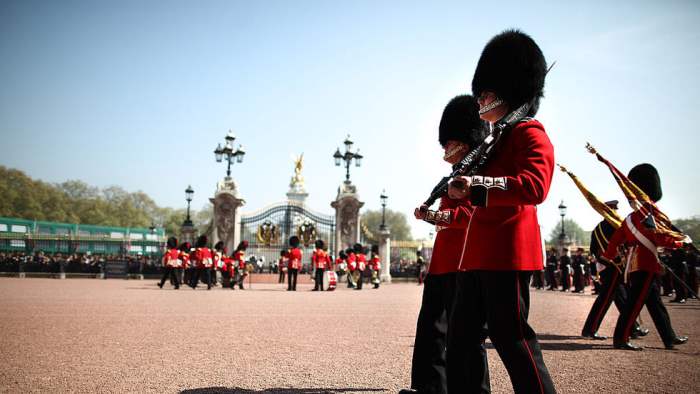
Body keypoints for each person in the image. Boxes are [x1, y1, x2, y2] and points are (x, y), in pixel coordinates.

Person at [445, 29, 556, 393]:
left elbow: (534, 186)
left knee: (512, 339)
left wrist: (479, 187)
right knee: (461, 339)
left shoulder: (529, 132)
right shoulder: (496, 139)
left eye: (487, 92)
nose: (481, 99)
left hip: (507, 252)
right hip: (477, 253)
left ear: (508, 90)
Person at [402, 94, 487, 394]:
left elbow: (465, 215)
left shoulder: (475, 174)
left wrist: (433, 214)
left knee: (463, 334)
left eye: (449, 142)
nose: (445, 147)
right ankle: (431, 386)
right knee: (432, 330)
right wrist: (430, 215)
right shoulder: (457, 173)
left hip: (461, 261)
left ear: (464, 143)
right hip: (442, 261)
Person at [604, 164, 689, 350]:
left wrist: (610, 256)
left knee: (655, 303)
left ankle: (669, 336)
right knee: (633, 304)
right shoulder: (650, 213)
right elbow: (657, 236)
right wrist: (680, 242)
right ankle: (621, 338)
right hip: (646, 263)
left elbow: (615, 241)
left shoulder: (629, 218)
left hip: (635, 264)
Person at [581, 200, 646, 340]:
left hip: (606, 267)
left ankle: (632, 328)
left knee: (622, 298)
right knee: (605, 300)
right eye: (613, 209)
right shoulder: (615, 226)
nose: (615, 212)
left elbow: (593, 251)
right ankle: (590, 329)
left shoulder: (597, 228)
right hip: (615, 266)